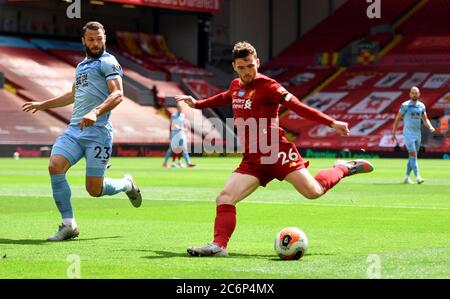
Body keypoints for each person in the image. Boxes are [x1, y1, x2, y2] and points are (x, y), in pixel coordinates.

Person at [175, 41, 374, 257]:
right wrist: (198, 104)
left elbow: (297, 106)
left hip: (276, 152)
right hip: (253, 159)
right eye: (242, 67)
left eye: (250, 66)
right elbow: (224, 97)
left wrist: (331, 123)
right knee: (224, 198)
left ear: (257, 63)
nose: (247, 72)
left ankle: (343, 168)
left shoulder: (269, 86)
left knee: (313, 192)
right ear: (234, 66)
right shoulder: (235, 86)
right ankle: (219, 246)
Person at [22, 21, 142, 241]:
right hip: (74, 130)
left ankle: (127, 184)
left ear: (105, 39)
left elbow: (118, 94)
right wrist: (43, 104)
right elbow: (73, 95)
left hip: (98, 133)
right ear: (83, 41)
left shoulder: (109, 62)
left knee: (94, 190)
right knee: (55, 166)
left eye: (99, 39)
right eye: (91, 39)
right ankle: (69, 224)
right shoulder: (81, 66)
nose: (95, 43)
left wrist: (95, 112)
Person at [392, 86, 435, 184]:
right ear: (410, 94)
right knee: (413, 154)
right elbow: (398, 118)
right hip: (408, 133)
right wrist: (393, 132)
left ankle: (407, 177)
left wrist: (430, 127)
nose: (414, 94)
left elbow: (425, 119)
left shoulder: (421, 106)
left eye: (416, 93)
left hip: (417, 134)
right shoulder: (405, 105)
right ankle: (418, 177)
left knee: (412, 157)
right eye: (413, 93)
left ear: (419, 94)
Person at [163, 104, 196, 168]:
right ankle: (165, 163)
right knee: (171, 149)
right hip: (175, 134)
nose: (181, 110)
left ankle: (188, 163)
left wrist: (184, 130)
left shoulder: (183, 116)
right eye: (179, 108)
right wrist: (171, 134)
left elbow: (183, 124)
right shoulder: (174, 115)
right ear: (177, 108)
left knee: (183, 148)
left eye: (181, 108)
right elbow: (173, 125)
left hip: (181, 134)